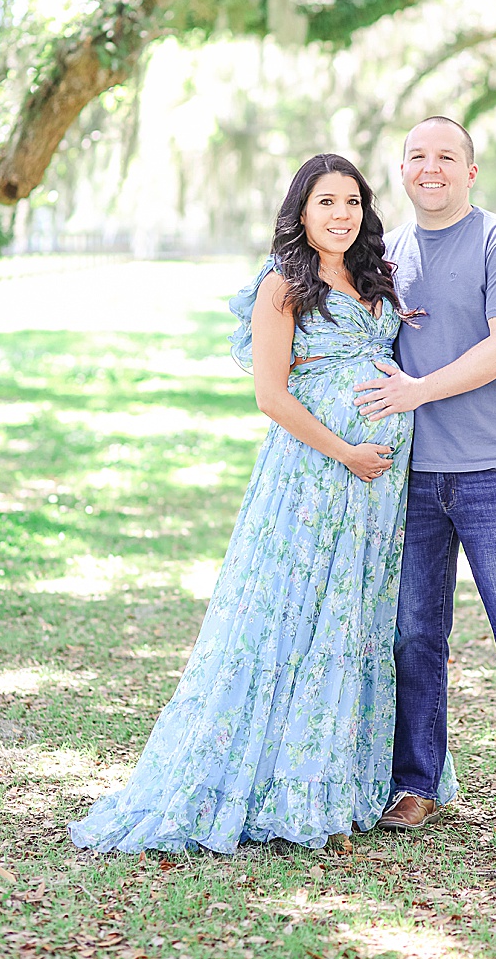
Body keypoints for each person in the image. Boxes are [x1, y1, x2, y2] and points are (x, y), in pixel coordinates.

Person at [69, 153, 454, 855]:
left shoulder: (375, 277)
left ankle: (345, 782)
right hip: (313, 482)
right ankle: (279, 785)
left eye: (352, 202)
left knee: (353, 621)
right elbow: (270, 396)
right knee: (289, 619)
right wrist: (347, 452)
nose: (341, 214)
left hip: (377, 496)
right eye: (326, 202)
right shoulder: (282, 285)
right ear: (301, 212)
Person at [354, 117, 496, 844]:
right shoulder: (386, 253)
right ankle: (416, 785)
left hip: (494, 472)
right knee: (416, 634)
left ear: (471, 171)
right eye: (418, 155)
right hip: (412, 478)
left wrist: (418, 390)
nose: (431, 167)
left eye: (447, 155)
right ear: (404, 169)